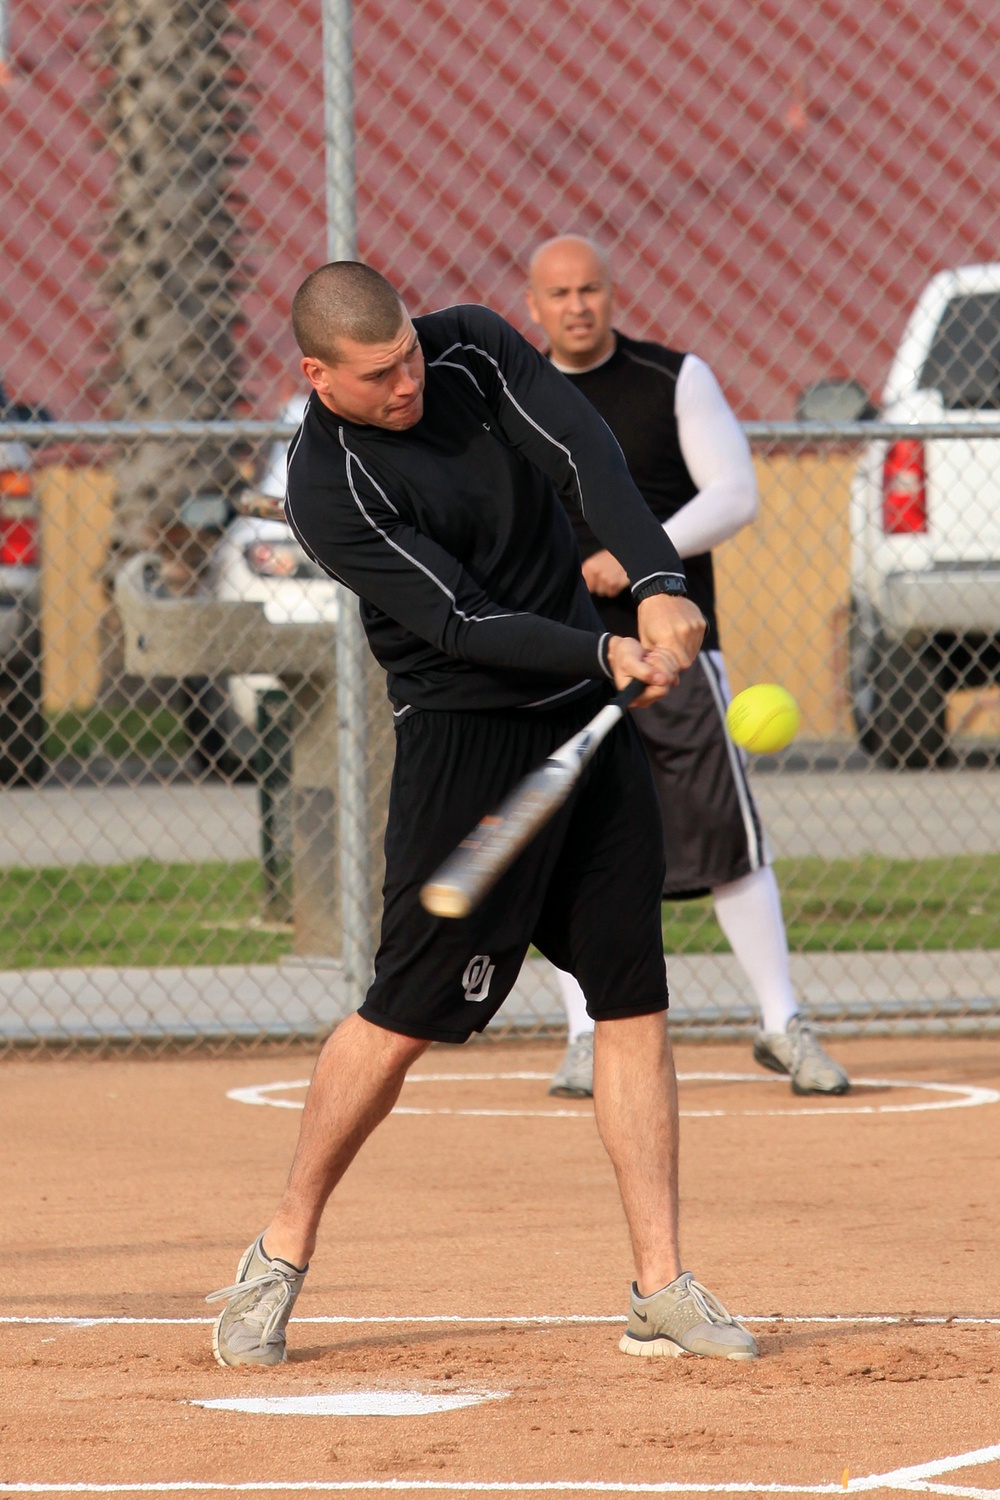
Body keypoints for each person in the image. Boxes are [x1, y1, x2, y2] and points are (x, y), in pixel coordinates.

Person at [206, 260, 758, 1369]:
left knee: (633, 1001)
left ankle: (660, 1282)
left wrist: (654, 578)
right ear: (317, 375)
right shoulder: (330, 488)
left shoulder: (467, 346)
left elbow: (581, 455)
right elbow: (460, 621)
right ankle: (279, 1250)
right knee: (401, 1018)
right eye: (377, 374)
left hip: (587, 731)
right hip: (467, 746)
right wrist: (605, 647)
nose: (407, 381)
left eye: (407, 353)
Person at [525, 235, 849, 1101]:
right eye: (558, 293)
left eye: (590, 287)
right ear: (533, 306)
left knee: (726, 840)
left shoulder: (674, 379)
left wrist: (636, 556)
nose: (577, 305)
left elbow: (734, 494)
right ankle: (584, 1033)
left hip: (673, 653)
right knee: (558, 845)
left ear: (610, 291)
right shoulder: (515, 393)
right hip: (557, 654)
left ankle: (781, 1022)